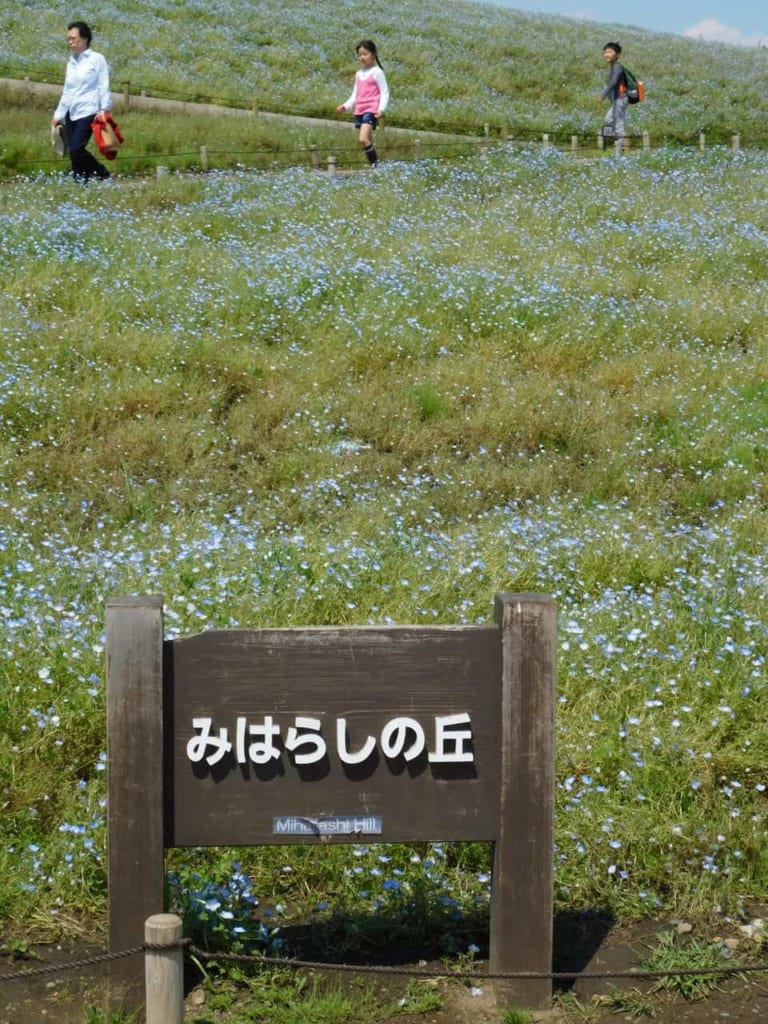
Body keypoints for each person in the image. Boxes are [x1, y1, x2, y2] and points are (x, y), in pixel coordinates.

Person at [51, 21, 113, 182]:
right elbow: (67, 91)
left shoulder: (96, 59)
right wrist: (58, 114)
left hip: (90, 111)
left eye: (73, 38)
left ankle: (102, 174)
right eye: (68, 39)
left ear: (84, 38)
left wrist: (104, 108)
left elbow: (103, 84)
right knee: (73, 154)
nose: (70, 42)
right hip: (72, 112)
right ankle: (81, 186)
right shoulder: (71, 63)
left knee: (77, 149)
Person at [336, 39, 390, 168]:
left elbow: (385, 92)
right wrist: (345, 106)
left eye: (365, 54)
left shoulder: (377, 72)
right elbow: (355, 94)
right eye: (360, 55)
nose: (362, 57)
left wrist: (381, 109)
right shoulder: (359, 74)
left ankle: (375, 166)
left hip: (371, 110)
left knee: (363, 139)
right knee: (369, 141)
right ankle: (376, 168)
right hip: (359, 110)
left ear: (373, 54)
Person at [600, 41, 628, 155]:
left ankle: (618, 153)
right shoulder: (613, 66)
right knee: (608, 120)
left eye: (610, 52)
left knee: (618, 123)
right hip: (617, 99)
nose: (606, 54)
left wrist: (603, 95)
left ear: (617, 54)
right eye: (605, 52)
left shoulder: (617, 66)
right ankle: (616, 145)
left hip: (620, 98)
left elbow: (613, 82)